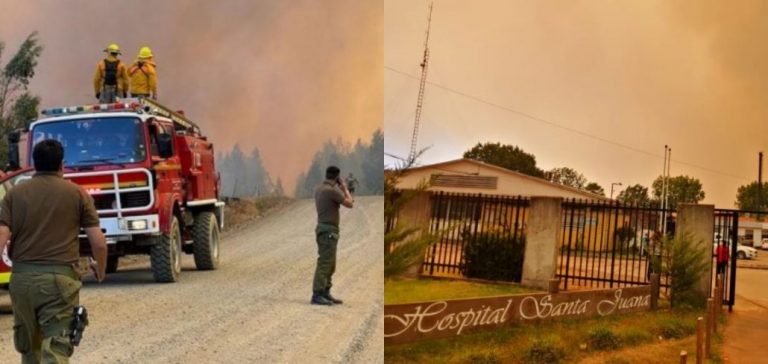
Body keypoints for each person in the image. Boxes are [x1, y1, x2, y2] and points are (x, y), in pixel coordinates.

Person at [0, 139, 107, 363]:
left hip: (22, 281)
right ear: (61, 165)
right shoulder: (77, 194)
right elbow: (98, 242)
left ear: (34, 164)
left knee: (29, 349)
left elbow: (1, 235)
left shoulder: (14, 194)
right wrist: (101, 268)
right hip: (60, 282)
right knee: (56, 349)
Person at [311, 166, 354, 305]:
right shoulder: (331, 191)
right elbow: (349, 203)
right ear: (337, 178)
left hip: (325, 229)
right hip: (328, 230)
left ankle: (325, 292)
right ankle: (317, 294)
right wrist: (345, 188)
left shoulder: (319, 189)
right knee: (325, 262)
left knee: (330, 263)